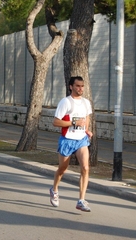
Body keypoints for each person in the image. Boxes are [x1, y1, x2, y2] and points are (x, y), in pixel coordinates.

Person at [50, 76, 93, 212]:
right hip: (67, 139)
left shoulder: (86, 103)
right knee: (62, 169)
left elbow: (87, 118)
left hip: (81, 140)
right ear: (71, 87)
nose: (80, 89)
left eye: (82, 86)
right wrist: (74, 123)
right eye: (78, 86)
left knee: (85, 167)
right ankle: (54, 189)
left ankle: (81, 200)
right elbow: (56, 122)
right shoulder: (66, 102)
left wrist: (86, 130)